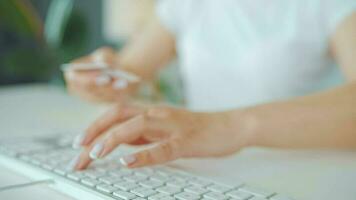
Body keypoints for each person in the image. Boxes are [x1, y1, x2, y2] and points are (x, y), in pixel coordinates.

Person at [64, 0, 356, 170]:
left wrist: (227, 125)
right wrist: (96, 77)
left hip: (304, 171)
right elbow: (127, 72)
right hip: (206, 170)